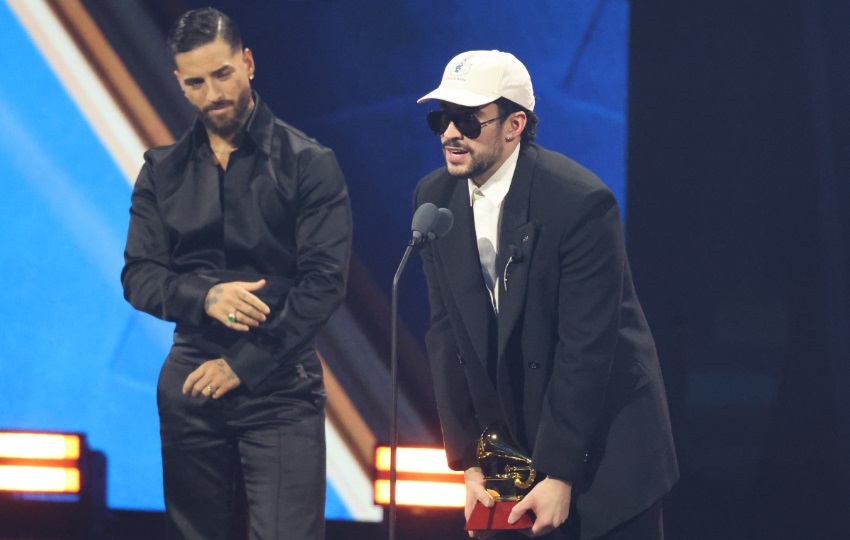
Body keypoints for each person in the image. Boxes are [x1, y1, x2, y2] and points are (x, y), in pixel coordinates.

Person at [413, 50, 679, 539]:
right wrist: (470, 460)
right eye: (441, 118)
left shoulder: (579, 203)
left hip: (603, 446)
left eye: (468, 121)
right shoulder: (434, 200)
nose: (450, 133)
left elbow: (587, 347)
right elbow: (446, 333)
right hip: (512, 447)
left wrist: (559, 472)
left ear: (515, 124)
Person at [121, 8, 351, 539]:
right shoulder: (161, 172)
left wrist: (242, 365)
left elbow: (324, 284)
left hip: (280, 384)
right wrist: (205, 296)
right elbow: (139, 275)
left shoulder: (309, 164)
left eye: (222, 74)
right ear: (181, 85)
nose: (213, 94)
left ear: (247, 63)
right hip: (192, 381)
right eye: (196, 82)